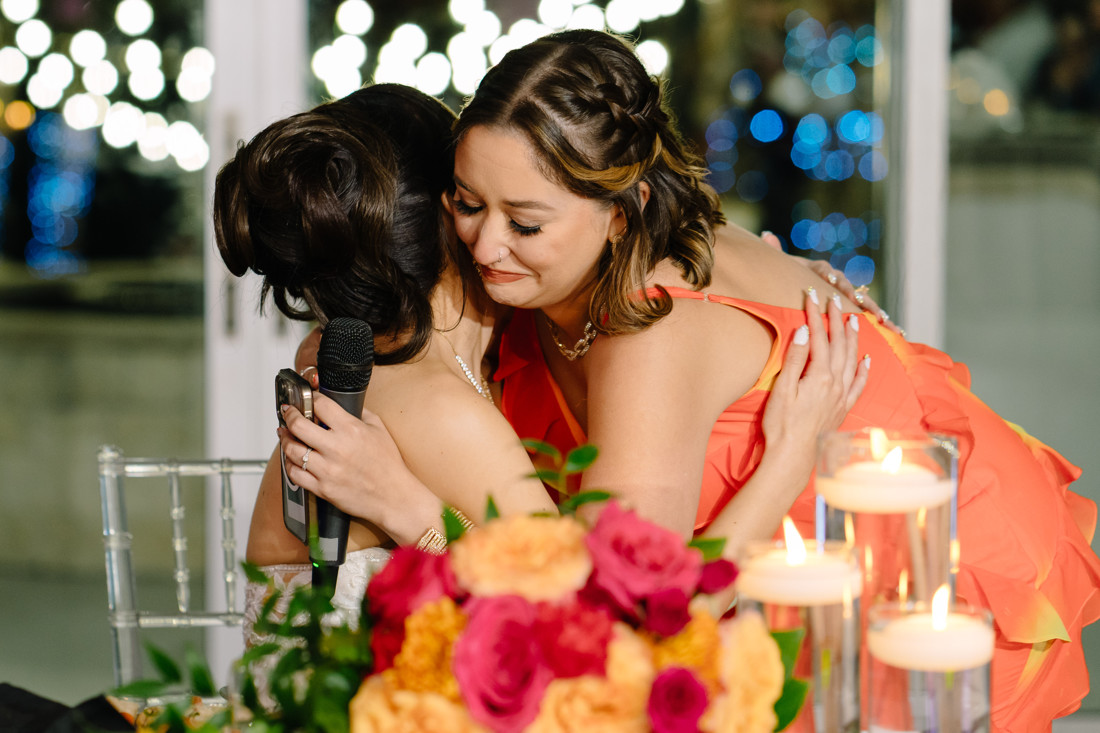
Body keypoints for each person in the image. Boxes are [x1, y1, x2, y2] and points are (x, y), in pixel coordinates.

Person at [424, 28, 1099, 731]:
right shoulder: (559, 278)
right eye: (468, 203)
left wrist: (787, 459)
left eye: (525, 224)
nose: (484, 244)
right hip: (780, 592)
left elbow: (630, 621)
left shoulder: (649, 331)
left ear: (622, 215)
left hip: (911, 586)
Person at [214, 83, 864, 633]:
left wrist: (770, 272)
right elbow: (600, 627)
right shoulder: (440, 409)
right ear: (447, 221)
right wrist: (789, 457)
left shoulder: (386, 346)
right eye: (472, 199)